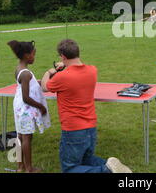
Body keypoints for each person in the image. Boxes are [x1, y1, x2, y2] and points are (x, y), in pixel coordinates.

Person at [41, 39, 132, 173]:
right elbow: (77, 71)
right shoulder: (92, 70)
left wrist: (49, 72)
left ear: (63, 56)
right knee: (86, 160)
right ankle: (114, 167)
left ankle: (107, 170)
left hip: (73, 129)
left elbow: (44, 87)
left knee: (69, 168)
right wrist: (66, 66)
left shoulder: (62, 78)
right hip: (90, 126)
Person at [7, 40, 50, 173]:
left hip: (19, 106)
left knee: (20, 136)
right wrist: (41, 107)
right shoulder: (25, 73)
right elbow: (27, 97)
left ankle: (20, 167)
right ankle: (29, 169)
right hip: (26, 108)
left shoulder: (20, 68)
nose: (34, 57)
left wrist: (38, 82)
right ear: (26, 56)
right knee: (27, 138)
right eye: (33, 54)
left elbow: (26, 85)